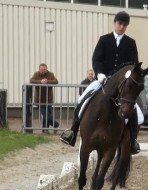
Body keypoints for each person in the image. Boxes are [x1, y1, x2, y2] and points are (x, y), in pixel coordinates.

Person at [60, 11, 141, 154]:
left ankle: (133, 141)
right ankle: (72, 132)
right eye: (119, 23)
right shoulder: (104, 40)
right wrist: (100, 73)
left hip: (122, 83)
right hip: (103, 79)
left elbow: (133, 64)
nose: (121, 26)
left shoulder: (130, 43)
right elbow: (96, 59)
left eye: (124, 25)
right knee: (83, 99)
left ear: (126, 26)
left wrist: (128, 75)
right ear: (114, 23)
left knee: (133, 109)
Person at [30, 63, 59, 133]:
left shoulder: (50, 74)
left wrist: (47, 82)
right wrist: (40, 82)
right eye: (41, 69)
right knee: (45, 114)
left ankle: (45, 129)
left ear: (46, 69)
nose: (42, 71)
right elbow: (31, 80)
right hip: (38, 99)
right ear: (39, 69)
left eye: (44, 69)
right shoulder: (36, 74)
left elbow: (56, 81)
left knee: (47, 114)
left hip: (49, 99)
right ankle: (55, 124)